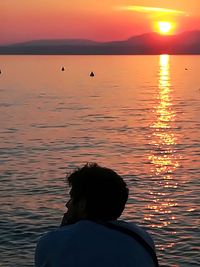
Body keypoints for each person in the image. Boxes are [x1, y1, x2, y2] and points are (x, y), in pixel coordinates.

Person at [35, 163, 159, 267]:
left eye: (72, 198)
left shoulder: (51, 242)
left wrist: (62, 230)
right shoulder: (142, 237)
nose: (67, 205)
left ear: (83, 204)